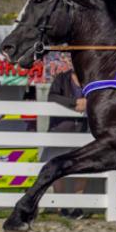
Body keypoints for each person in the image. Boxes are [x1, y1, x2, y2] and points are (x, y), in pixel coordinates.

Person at [42, 69, 89, 219]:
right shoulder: (61, 79)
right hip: (60, 131)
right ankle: (60, 206)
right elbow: (52, 97)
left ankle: (77, 206)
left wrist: (88, 103)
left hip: (83, 131)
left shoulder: (89, 77)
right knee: (58, 169)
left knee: (82, 168)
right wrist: (75, 103)